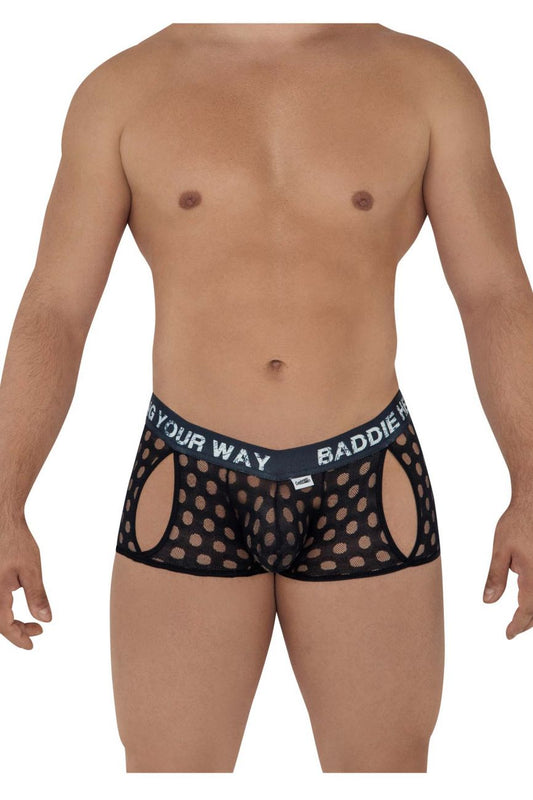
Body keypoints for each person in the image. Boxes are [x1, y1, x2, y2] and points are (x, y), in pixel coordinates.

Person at [0, 21, 531, 774]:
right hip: (189, 474)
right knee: (168, 777)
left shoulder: (426, 81)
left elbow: (495, 294)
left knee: (384, 775)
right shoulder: (122, 90)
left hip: (364, 474)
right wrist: (4, 499)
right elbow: (55, 310)